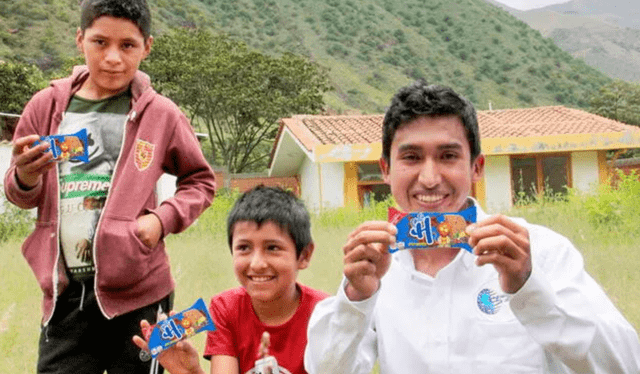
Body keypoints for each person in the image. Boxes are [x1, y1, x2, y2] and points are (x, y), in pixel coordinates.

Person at [304, 80, 640, 373]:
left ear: (476, 167)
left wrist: (528, 288)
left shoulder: (541, 251)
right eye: (411, 157)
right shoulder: (375, 266)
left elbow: (624, 365)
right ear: (386, 170)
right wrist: (355, 298)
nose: (430, 179)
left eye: (448, 156)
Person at [4, 0, 216, 373]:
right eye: (100, 42)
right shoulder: (45, 107)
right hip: (65, 297)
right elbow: (20, 193)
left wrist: (160, 221)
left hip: (143, 295)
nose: (113, 57)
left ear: (147, 46)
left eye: (128, 45)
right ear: (80, 39)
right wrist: (26, 175)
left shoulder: (161, 114)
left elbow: (200, 182)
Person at [133, 186, 328, 374]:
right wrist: (190, 372)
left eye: (272, 248)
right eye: (244, 247)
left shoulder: (325, 313)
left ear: (303, 255)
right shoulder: (226, 308)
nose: (257, 263)